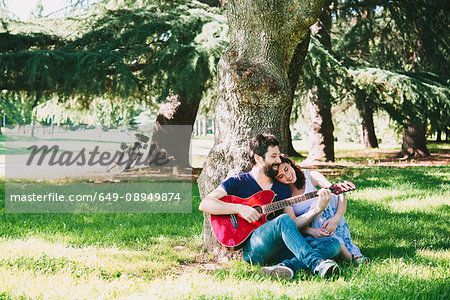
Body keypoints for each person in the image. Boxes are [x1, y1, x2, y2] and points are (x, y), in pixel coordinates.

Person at [199, 133, 342, 280]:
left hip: (280, 247)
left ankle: (285, 267)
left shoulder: (282, 188)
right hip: (254, 249)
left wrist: (317, 209)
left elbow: (292, 223)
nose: (278, 160)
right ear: (258, 158)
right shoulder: (238, 182)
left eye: (279, 155)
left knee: (333, 244)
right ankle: (317, 263)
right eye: (273, 156)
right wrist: (240, 208)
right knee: (282, 219)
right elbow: (205, 203)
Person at [274, 154, 369, 264]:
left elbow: (340, 196)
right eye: (281, 177)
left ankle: (340, 251)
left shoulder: (310, 176)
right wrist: (311, 230)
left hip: (330, 224)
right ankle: (345, 254)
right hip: (307, 232)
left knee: (329, 196)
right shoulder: (284, 195)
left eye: (286, 169)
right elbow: (292, 224)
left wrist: (335, 219)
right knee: (316, 203)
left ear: (290, 164)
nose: (287, 176)